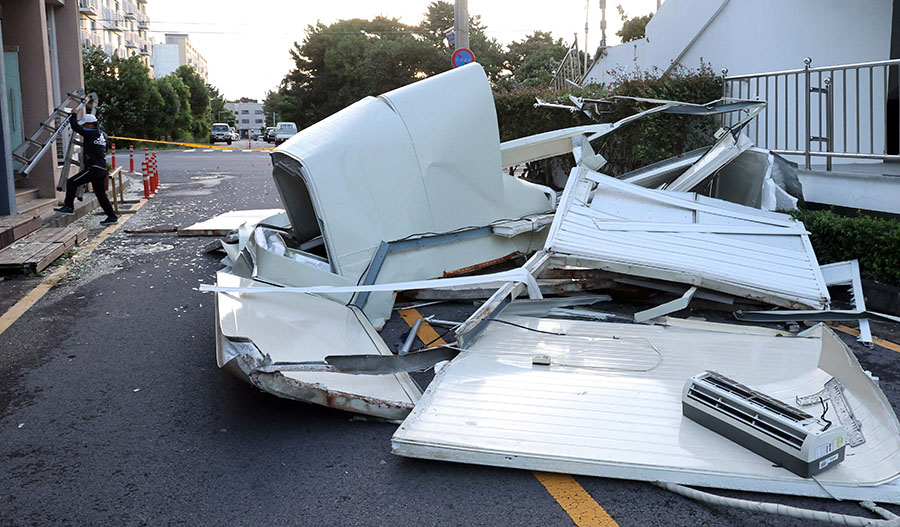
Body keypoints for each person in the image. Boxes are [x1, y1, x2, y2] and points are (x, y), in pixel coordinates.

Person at [53, 112, 118, 225]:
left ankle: (69, 207)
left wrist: (73, 115)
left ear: (90, 124)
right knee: (100, 194)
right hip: (101, 169)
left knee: (72, 182)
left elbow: (75, 127)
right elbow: (104, 148)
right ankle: (112, 216)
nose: (83, 127)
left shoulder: (91, 133)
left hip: (93, 168)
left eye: (85, 125)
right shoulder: (103, 135)